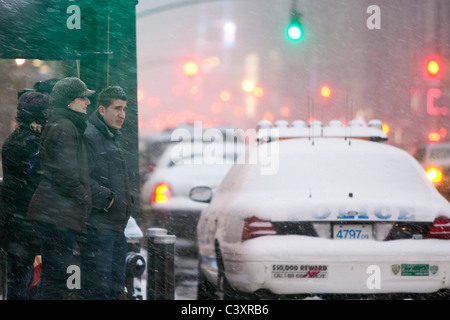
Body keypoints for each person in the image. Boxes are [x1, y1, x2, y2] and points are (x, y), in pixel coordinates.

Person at [27, 77, 94, 300]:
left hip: (55, 214)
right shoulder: (65, 127)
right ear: (68, 101)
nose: (87, 102)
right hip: (58, 215)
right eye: (82, 97)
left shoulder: (62, 124)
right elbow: (66, 175)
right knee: (55, 280)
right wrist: (85, 196)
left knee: (52, 278)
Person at [81, 86, 133, 300]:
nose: (122, 114)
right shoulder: (90, 135)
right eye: (117, 108)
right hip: (99, 226)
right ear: (102, 110)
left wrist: (126, 202)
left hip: (115, 226)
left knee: (114, 289)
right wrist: (108, 200)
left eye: (125, 109)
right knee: (98, 291)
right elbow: (82, 177)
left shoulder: (111, 136)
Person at [0, 92, 50, 299]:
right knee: (24, 280)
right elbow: (36, 182)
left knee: (17, 278)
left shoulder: (14, 140)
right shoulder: (32, 145)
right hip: (25, 221)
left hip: (13, 221)